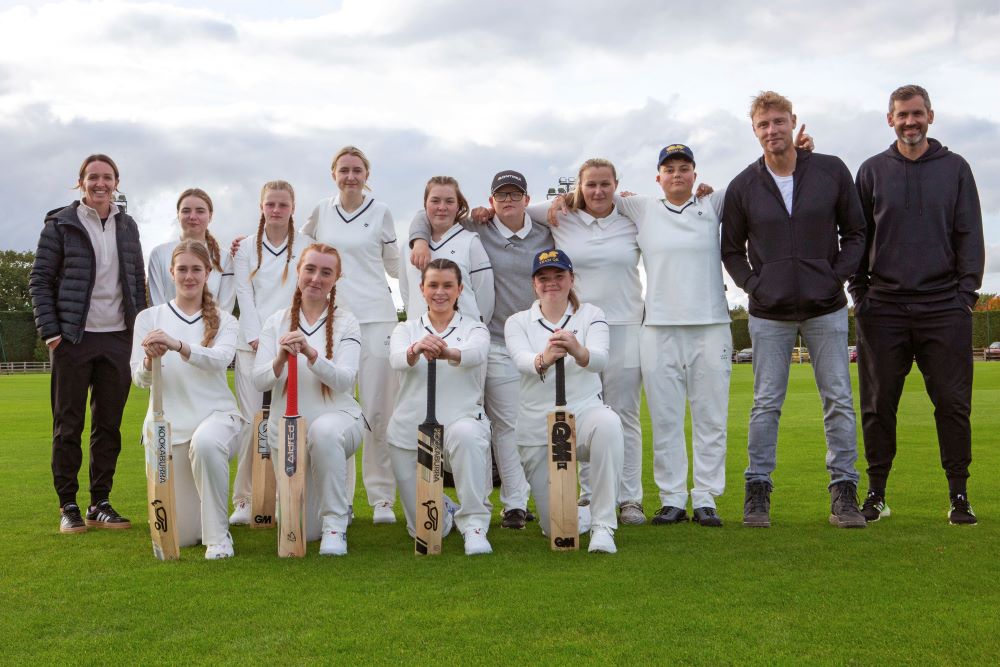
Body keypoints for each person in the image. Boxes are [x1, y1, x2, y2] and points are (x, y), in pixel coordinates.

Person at [721, 90, 867, 529]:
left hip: (826, 308)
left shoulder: (830, 171)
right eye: (763, 125)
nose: (772, 131)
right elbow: (731, 251)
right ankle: (757, 491)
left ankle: (844, 492)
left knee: (838, 399)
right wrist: (755, 286)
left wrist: (833, 276)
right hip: (769, 313)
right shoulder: (743, 185)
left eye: (779, 122)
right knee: (766, 404)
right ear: (754, 130)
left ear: (792, 122)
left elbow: (856, 233)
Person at [850, 84, 985, 525]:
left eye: (917, 114)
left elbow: (970, 235)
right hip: (883, 309)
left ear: (931, 115)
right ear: (889, 119)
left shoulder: (956, 168)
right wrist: (861, 296)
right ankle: (875, 495)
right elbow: (856, 238)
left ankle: (959, 496)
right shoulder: (870, 171)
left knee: (951, 403)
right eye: (902, 115)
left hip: (944, 307)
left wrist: (965, 296)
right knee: (877, 405)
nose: (910, 122)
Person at [408, 170, 549, 529]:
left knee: (499, 425)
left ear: (526, 199)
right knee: (443, 424)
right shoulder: (475, 227)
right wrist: (418, 237)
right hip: (456, 342)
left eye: (515, 194)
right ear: (489, 202)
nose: (508, 200)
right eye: (501, 195)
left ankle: (505, 503)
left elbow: (484, 293)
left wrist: (475, 329)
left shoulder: (535, 232)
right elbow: (427, 216)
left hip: (497, 339)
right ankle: (454, 503)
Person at [613, 145, 732, 527]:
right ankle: (672, 498)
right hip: (659, 328)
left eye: (684, 169)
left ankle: (706, 496)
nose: (677, 175)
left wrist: (801, 153)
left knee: (710, 416)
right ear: (658, 177)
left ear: (695, 175)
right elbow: (589, 193)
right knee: (665, 418)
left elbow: (761, 177)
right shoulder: (641, 207)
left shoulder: (712, 204)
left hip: (710, 324)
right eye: (669, 169)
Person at [29, 154, 147, 534]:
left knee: (108, 427)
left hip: (118, 340)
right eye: (93, 177)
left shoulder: (128, 226)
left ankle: (101, 502)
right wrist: (52, 332)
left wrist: (139, 332)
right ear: (80, 182)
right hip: (73, 340)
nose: (101, 183)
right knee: (68, 426)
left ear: (116, 182)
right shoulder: (60, 225)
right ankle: (68, 505)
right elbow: (40, 281)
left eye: (108, 177)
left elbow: (136, 282)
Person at [301, 147, 400, 525]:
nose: (351, 176)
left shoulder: (381, 212)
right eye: (344, 170)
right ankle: (339, 499)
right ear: (333, 174)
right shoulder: (321, 211)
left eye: (357, 170)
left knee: (378, 410)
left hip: (377, 317)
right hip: (333, 321)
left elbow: (395, 266)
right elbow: (299, 251)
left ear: (366, 174)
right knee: (337, 408)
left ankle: (382, 500)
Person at [505, 249, 624, 553]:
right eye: (544, 278)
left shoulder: (591, 314)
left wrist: (577, 349)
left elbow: (599, 359)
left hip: (584, 413)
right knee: (555, 527)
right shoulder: (517, 321)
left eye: (559, 276)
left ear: (571, 279)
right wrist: (544, 358)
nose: (552, 283)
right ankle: (582, 512)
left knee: (609, 424)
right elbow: (521, 360)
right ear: (534, 284)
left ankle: (603, 526)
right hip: (536, 425)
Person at [131, 241, 243, 559]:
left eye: (197, 269)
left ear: (208, 273)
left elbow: (220, 360)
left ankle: (220, 537)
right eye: (182, 269)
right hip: (169, 432)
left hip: (218, 418)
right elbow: (139, 380)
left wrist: (177, 345)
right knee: (185, 535)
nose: (189, 276)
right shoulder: (148, 318)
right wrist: (150, 360)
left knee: (207, 442)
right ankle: (206, 526)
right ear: (171, 272)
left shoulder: (225, 320)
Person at [253, 243, 364, 556]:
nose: (316, 278)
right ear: (299, 272)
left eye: (326, 272)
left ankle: (335, 524)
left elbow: (345, 380)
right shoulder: (275, 321)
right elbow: (259, 380)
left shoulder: (347, 322)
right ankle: (330, 514)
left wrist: (312, 353)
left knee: (324, 430)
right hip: (288, 434)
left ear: (336, 278)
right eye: (310, 269)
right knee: (304, 530)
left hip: (340, 422)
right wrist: (279, 358)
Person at [387, 259, 493, 555]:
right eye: (433, 285)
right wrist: (416, 349)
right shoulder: (406, 329)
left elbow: (476, 354)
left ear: (460, 289)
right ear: (421, 289)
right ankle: (446, 510)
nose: (440, 292)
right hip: (409, 429)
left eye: (448, 285)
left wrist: (447, 352)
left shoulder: (475, 327)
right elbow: (397, 359)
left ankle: (474, 524)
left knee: (467, 435)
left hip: (462, 421)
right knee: (423, 528)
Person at [230, 180, 316, 525]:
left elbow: (306, 293)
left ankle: (283, 497)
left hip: (291, 344)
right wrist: (256, 336)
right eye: (270, 205)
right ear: (262, 208)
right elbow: (243, 293)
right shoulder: (246, 248)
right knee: (253, 425)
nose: (276, 210)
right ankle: (245, 499)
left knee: (285, 425)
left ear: (293, 207)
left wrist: (284, 339)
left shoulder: (307, 245)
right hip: (251, 347)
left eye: (283, 204)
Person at [399, 176, 494, 323]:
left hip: (463, 340)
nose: (442, 207)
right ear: (425, 205)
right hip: (419, 339)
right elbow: (407, 294)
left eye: (449, 201)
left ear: (458, 206)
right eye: (435, 201)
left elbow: (485, 297)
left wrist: (473, 331)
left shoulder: (471, 242)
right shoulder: (408, 245)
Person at [147, 188, 236, 312]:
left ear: (210, 216)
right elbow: (157, 307)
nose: (192, 217)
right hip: (166, 331)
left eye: (200, 211)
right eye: (186, 211)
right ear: (178, 215)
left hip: (212, 331)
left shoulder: (224, 258)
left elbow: (225, 310)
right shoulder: (159, 254)